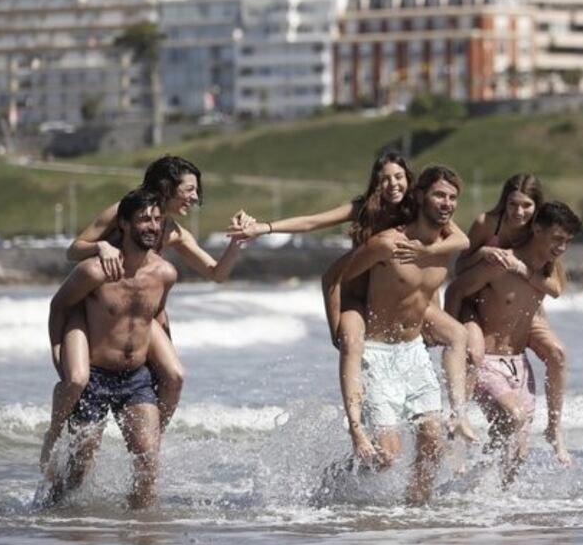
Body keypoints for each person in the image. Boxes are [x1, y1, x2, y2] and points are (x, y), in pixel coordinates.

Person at [227, 153, 474, 458]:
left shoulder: (423, 210)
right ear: (375, 183)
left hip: (403, 297)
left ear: (411, 184)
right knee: (353, 344)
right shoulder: (366, 212)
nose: (392, 184)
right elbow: (313, 224)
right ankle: (356, 428)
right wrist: (263, 228)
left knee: (457, 335)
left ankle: (459, 413)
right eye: (384, 178)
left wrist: (428, 250)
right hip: (358, 293)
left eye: (398, 177)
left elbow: (461, 241)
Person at [40, 156, 249, 473]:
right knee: (78, 378)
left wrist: (237, 242)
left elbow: (216, 273)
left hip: (137, 312)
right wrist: (101, 248)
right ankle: (54, 433)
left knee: (175, 375)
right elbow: (74, 249)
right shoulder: (123, 211)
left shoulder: (173, 232)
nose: (195, 197)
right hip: (94, 307)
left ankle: (148, 439)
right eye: (189, 189)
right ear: (167, 186)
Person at [329, 165, 470, 505]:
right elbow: (338, 277)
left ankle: (414, 516)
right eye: (439, 195)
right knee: (387, 457)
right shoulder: (387, 244)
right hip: (377, 354)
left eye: (452, 198)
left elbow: (462, 242)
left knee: (433, 444)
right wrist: (341, 329)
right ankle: (338, 479)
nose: (447, 203)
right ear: (420, 196)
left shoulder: (446, 245)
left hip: (414, 352)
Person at [45, 189, 177, 509]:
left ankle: (140, 531)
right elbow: (60, 307)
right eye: (144, 219)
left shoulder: (165, 274)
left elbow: (157, 316)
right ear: (124, 224)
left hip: (136, 379)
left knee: (147, 461)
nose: (152, 226)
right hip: (95, 378)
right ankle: (55, 516)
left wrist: (167, 361)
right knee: (80, 468)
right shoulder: (94, 271)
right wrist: (58, 352)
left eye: (157, 220)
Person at [445, 201, 582, 485]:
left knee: (515, 454)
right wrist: (451, 336)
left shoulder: (547, 269)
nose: (562, 247)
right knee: (514, 416)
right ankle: (466, 486)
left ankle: (484, 505)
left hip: (519, 365)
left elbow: (554, 292)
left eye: (567, 241)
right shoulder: (502, 262)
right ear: (537, 228)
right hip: (489, 363)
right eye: (557, 238)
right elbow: (457, 288)